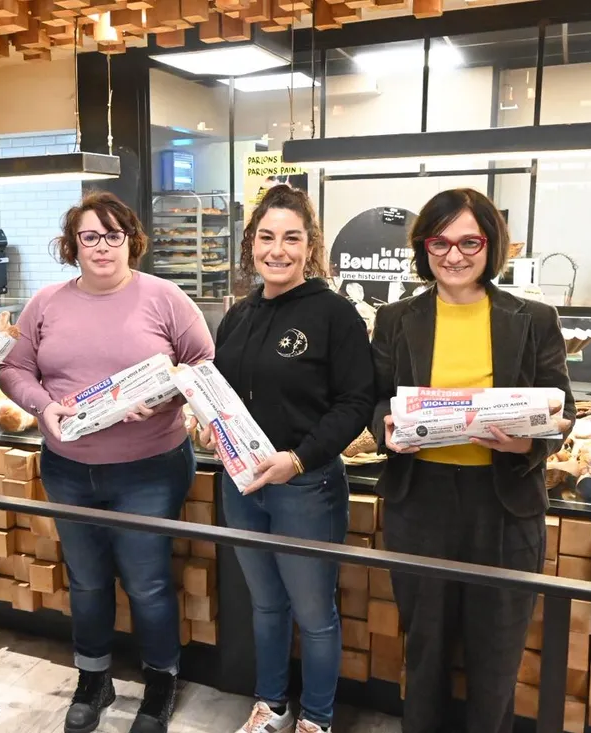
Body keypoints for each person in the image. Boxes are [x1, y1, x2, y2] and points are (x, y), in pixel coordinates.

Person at [0, 191, 214, 733]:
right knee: (88, 580)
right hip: (68, 467)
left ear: (131, 241)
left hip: (149, 467)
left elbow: (203, 363)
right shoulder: (45, 302)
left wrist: (168, 398)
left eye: (113, 235)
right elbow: (14, 370)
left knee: (147, 582)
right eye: (90, 236)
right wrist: (43, 407)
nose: (102, 247)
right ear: (73, 245)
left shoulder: (165, 299)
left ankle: (160, 682)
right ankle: (93, 677)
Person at [370, 188, 574, 733]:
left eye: (469, 242)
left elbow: (563, 408)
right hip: (421, 500)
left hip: (503, 504)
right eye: (440, 242)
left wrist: (530, 443)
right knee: (427, 647)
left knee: (496, 654)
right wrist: (385, 428)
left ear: (491, 245)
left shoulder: (531, 317)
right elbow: (374, 398)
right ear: (424, 247)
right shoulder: (396, 318)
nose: (453, 255)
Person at [200, 185, 375, 733]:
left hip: (306, 488)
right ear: (251, 242)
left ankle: (316, 719)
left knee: (314, 614)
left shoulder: (334, 313)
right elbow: (224, 394)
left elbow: (355, 404)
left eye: (291, 238)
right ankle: (271, 706)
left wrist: (298, 460)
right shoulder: (238, 315)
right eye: (266, 237)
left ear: (309, 245)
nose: (277, 250)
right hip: (242, 483)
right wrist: (209, 427)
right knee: (266, 606)